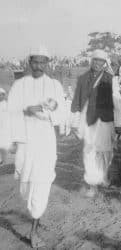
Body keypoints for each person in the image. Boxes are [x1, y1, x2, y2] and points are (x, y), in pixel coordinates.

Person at [8, 46, 66, 248]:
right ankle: (36, 214)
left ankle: (33, 229)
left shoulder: (54, 85)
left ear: (47, 64)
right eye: (35, 62)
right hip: (25, 141)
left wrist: (50, 111)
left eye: (43, 62)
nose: (39, 66)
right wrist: (26, 110)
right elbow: (10, 111)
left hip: (45, 140)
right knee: (26, 186)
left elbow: (61, 114)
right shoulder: (19, 85)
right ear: (29, 62)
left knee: (41, 183)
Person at [71, 49, 115, 198]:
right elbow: (76, 101)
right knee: (89, 152)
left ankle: (103, 176)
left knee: (105, 151)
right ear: (91, 60)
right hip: (88, 120)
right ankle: (92, 184)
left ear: (104, 63)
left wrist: (120, 122)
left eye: (101, 61)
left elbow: (116, 101)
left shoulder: (110, 78)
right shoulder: (82, 78)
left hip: (105, 119)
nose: (98, 63)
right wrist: (74, 122)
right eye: (95, 60)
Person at [0, 88, 10, 165]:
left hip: (5, 128)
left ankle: (4, 163)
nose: (0, 96)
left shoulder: (7, 105)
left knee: (4, 146)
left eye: (2, 94)